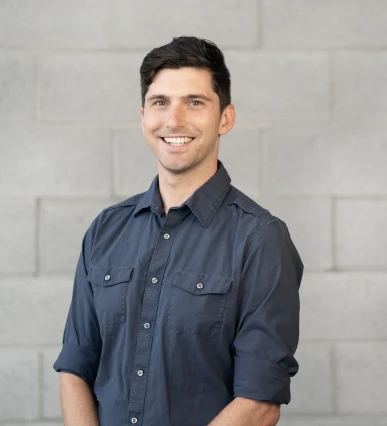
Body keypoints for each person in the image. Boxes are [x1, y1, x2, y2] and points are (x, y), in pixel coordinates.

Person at [54, 36, 303, 426]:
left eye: (195, 102)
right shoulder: (106, 230)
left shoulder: (260, 239)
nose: (174, 120)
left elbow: (260, 402)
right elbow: (75, 366)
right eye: (160, 103)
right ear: (143, 116)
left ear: (225, 118)